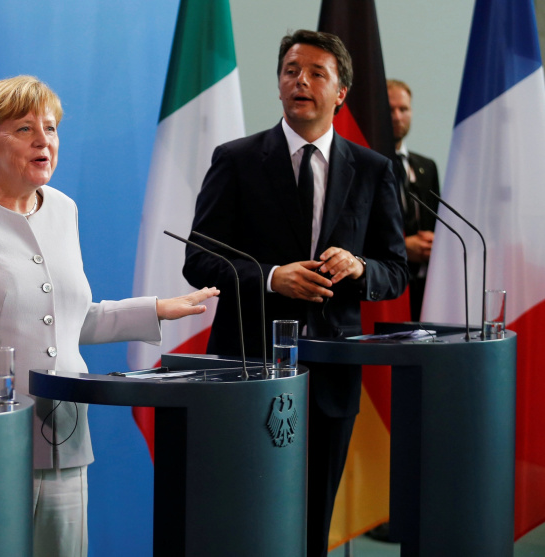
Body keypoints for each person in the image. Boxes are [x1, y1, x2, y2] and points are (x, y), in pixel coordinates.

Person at [0, 75, 217, 557]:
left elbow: (68, 320)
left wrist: (156, 310)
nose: (44, 140)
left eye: (51, 128)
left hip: (63, 433)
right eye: (25, 129)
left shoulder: (63, 209)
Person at [182, 31, 408, 557]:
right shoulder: (236, 159)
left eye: (316, 73)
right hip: (245, 368)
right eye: (290, 71)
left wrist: (359, 267)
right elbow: (197, 260)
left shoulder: (373, 169)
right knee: (242, 520)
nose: (300, 81)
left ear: (341, 92)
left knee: (311, 525)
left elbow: (395, 269)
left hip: (331, 376)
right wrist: (270, 276)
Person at [388, 78, 441, 321]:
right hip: (389, 289)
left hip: (426, 289)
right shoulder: (365, 165)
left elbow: (437, 220)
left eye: (404, 109)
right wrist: (403, 247)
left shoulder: (426, 167)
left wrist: (436, 243)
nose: (398, 116)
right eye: (390, 109)